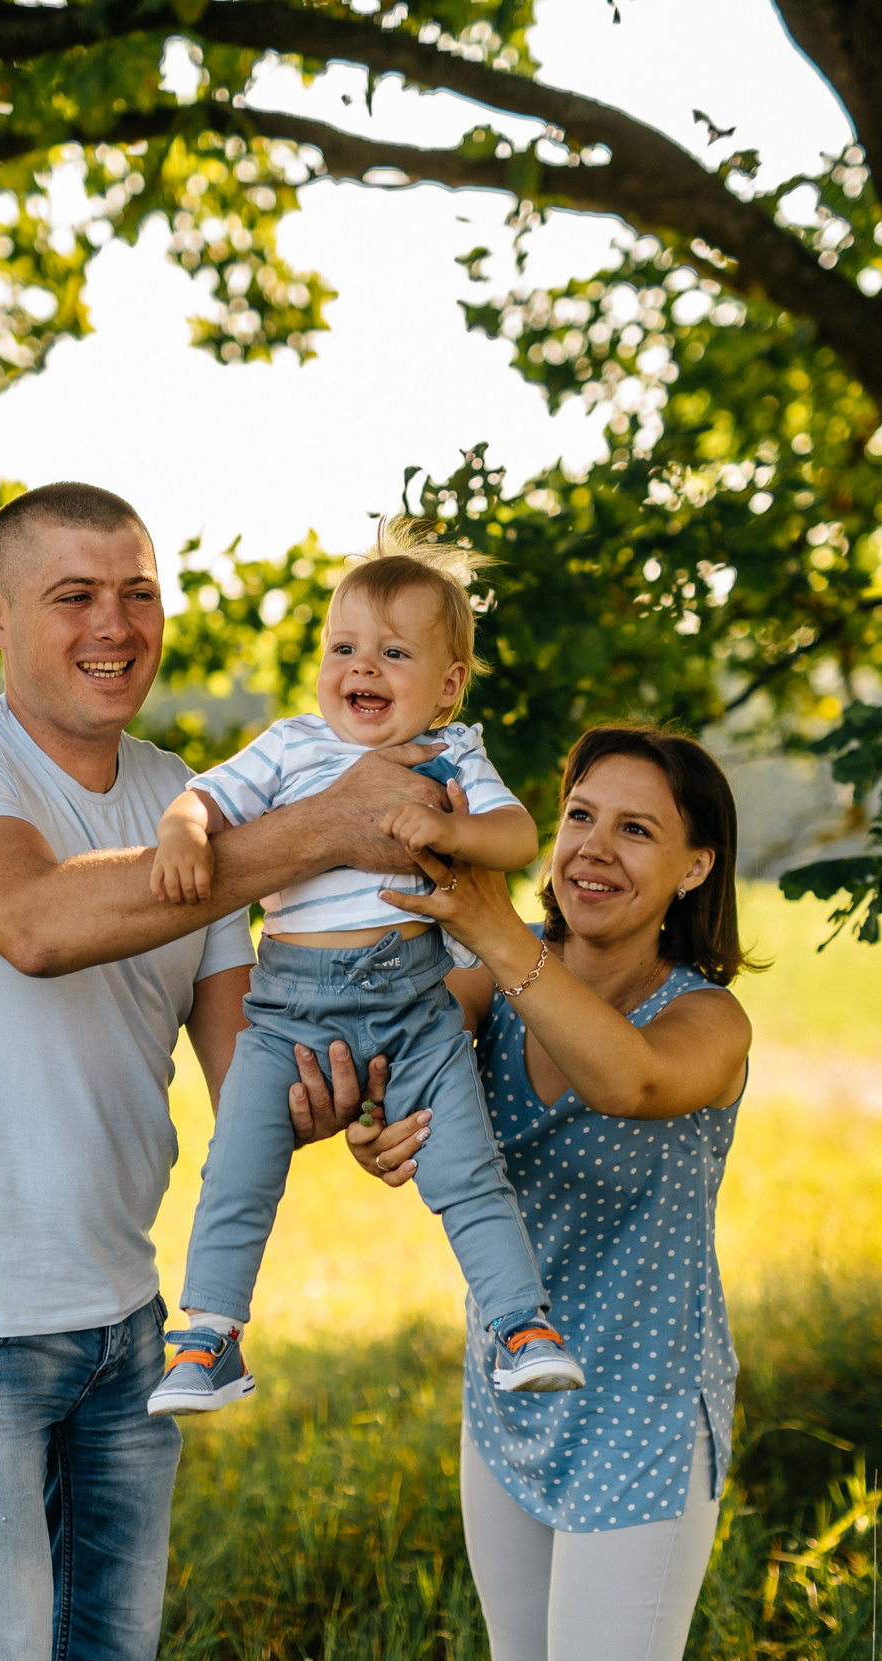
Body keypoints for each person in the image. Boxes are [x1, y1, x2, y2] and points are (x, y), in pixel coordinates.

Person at [0, 482, 443, 1661]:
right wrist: (323, 825)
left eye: (137, 592)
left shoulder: (182, 789)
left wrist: (362, 1088)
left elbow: (247, 1068)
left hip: (124, 1323)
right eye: (73, 595)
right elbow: (34, 921)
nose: (113, 624)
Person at [351, 725, 757, 1661]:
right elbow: (389, 1052)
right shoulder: (487, 985)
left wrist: (497, 931)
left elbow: (628, 1080)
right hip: (509, 1391)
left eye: (636, 829)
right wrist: (373, 1115)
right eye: (579, 815)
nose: (592, 848)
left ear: (695, 866)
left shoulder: (707, 1019)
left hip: (644, 1410)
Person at [143, 521, 583, 1418]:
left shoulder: (452, 756)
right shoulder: (291, 745)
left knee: (467, 1170)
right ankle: (209, 1336)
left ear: (448, 684)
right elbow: (202, 797)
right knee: (238, 1167)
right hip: (287, 1015)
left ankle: (520, 1325)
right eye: (343, 648)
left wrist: (451, 829)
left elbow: (516, 835)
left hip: (416, 1009)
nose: (362, 668)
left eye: (393, 652)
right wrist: (183, 832)